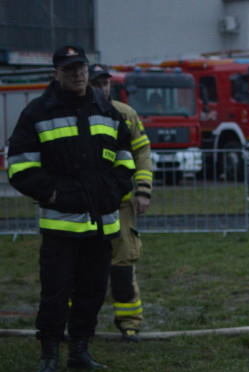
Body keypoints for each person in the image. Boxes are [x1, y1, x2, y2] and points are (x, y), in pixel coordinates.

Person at [6, 45, 135, 372]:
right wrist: (51, 193)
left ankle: (80, 350)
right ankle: (49, 354)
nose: (78, 74)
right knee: (55, 293)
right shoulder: (37, 112)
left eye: (82, 68)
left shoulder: (105, 109)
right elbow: (19, 165)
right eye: (70, 69)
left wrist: (115, 191)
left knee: (92, 292)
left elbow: (126, 155)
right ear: (56, 74)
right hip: (61, 226)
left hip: (100, 225)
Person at [89, 63, 153, 342]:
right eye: (96, 84)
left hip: (121, 203)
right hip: (85, 204)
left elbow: (142, 153)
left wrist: (143, 190)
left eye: (106, 83)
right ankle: (77, 324)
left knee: (123, 263)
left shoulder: (126, 114)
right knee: (82, 265)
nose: (102, 89)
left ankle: (130, 324)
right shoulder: (77, 114)